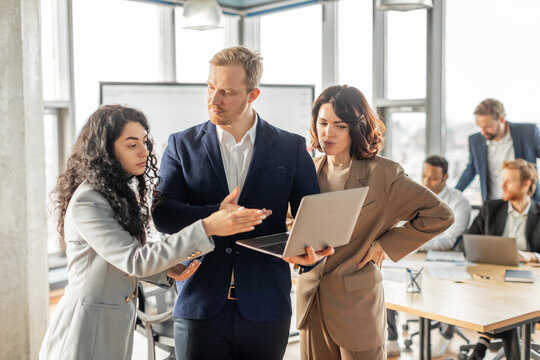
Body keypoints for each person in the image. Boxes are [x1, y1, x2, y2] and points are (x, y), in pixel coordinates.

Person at [38, 105, 266, 360]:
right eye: (131, 144)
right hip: (84, 329)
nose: (144, 151)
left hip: (108, 326)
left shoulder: (115, 194)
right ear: (106, 150)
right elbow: (135, 259)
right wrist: (208, 225)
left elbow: (119, 259)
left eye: (144, 142)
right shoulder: (88, 201)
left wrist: (165, 269)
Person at [151, 46, 324, 360]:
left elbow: (310, 222)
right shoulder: (181, 144)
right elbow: (163, 214)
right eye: (210, 87)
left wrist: (311, 255)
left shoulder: (291, 148)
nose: (214, 100)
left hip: (267, 308)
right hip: (199, 304)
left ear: (252, 94)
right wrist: (215, 216)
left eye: (227, 92)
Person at [285, 85, 454, 359]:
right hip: (311, 302)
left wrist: (383, 246)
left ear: (356, 127)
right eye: (323, 122)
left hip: (357, 307)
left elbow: (440, 214)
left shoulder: (383, 174)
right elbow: (293, 220)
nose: (328, 132)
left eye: (339, 125)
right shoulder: (307, 170)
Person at [387, 155, 472, 357]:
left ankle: (446, 334)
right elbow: (401, 225)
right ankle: (392, 338)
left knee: (449, 288)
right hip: (417, 257)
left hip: (448, 259)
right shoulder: (417, 198)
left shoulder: (460, 202)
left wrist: (413, 241)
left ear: (446, 177)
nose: (426, 181)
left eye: (433, 178)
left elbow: (449, 240)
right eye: (424, 176)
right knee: (386, 281)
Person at [466, 158, 540, 360]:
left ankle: (482, 343)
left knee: (506, 306)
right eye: (503, 180)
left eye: (509, 181)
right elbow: (469, 242)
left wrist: (531, 256)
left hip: (529, 285)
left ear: (526, 184)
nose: (503, 185)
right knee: (502, 303)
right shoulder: (491, 209)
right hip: (492, 282)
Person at [455, 98, 540, 202]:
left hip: (526, 203)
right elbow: (470, 170)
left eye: (488, 127)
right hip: (493, 205)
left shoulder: (527, 132)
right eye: (480, 127)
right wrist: (455, 194)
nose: (483, 132)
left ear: (502, 119)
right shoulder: (475, 141)